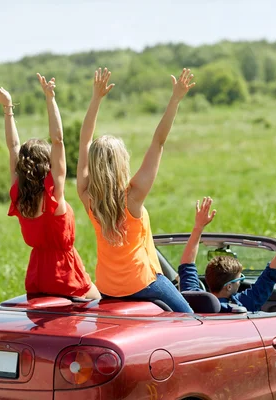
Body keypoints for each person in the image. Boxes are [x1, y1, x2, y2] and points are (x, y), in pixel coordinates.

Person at [76, 67, 195, 312]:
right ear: (121, 163)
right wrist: (175, 99)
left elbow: (84, 141)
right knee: (192, 319)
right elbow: (158, 142)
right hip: (143, 283)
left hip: (107, 288)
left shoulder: (87, 197)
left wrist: (96, 99)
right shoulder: (133, 197)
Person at [0, 75, 100, 300]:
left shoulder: (20, 197)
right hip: (67, 277)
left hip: (37, 278)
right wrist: (50, 98)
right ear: (47, 164)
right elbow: (58, 140)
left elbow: (13, 147)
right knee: (104, 308)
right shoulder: (54, 194)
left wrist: (8, 108)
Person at [178, 197, 276, 312]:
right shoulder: (242, 305)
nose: (240, 282)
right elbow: (275, 270)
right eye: (239, 279)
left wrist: (198, 226)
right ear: (229, 286)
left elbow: (187, 265)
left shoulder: (191, 299)